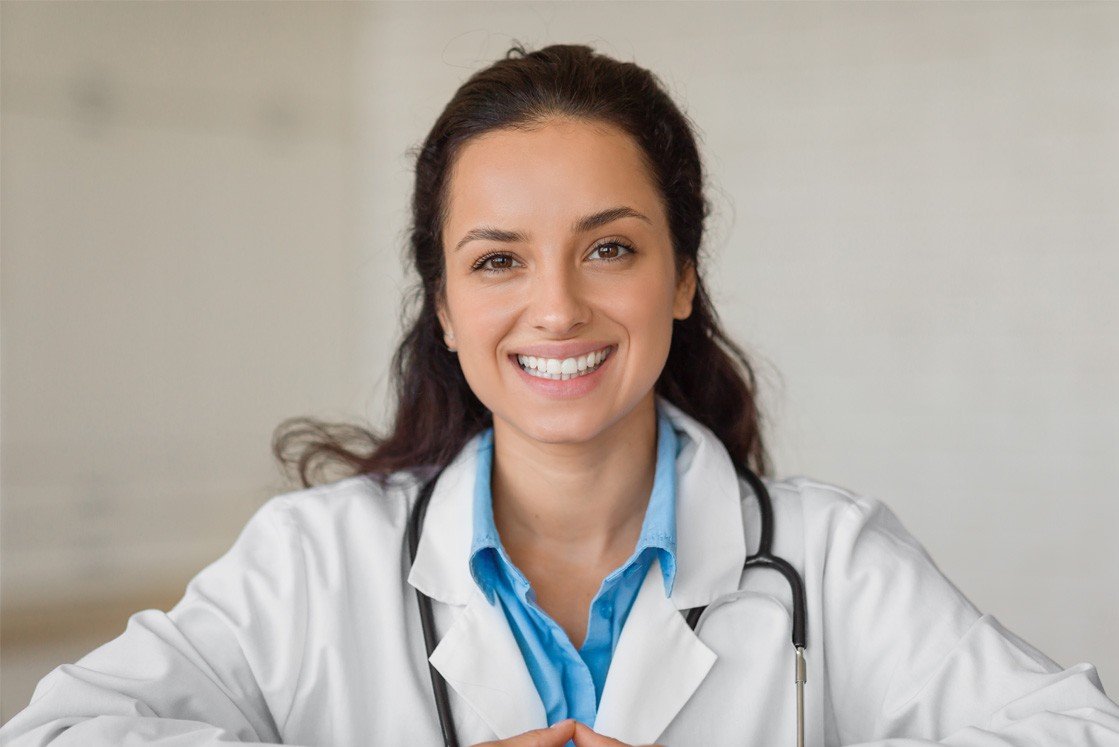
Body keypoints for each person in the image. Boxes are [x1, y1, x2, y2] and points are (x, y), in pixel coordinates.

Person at [2, 43, 1118, 747]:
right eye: (498, 261)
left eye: (610, 249)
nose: (557, 309)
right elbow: (61, 733)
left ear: (681, 275)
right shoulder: (313, 561)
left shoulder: (830, 558)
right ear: (442, 305)